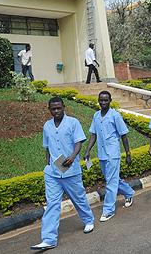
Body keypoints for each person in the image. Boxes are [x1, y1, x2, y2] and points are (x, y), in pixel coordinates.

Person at [31, 97, 94, 251]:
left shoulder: (73, 122)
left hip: (71, 171)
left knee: (78, 198)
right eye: (53, 109)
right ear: (49, 109)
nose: (57, 111)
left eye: (59, 108)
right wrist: (47, 165)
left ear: (64, 107)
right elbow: (47, 147)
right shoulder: (47, 126)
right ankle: (49, 239)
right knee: (52, 204)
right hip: (53, 172)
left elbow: (79, 142)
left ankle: (88, 220)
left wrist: (72, 157)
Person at [84, 91, 134, 222]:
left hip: (112, 154)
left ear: (110, 100)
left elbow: (124, 135)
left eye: (106, 100)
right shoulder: (96, 116)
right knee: (112, 179)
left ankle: (108, 210)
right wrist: (88, 150)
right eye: (101, 100)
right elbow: (93, 134)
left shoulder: (115, 116)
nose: (103, 102)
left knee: (110, 183)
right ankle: (129, 192)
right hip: (102, 154)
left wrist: (128, 153)